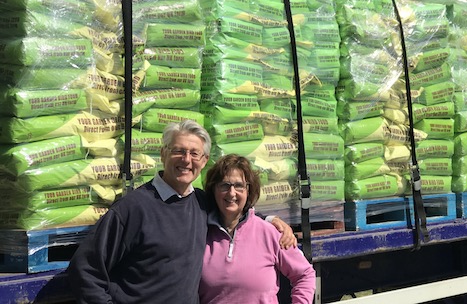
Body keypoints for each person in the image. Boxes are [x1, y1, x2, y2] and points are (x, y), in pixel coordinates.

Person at [67, 120, 296, 304]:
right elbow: (85, 268)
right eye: (178, 151)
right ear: (163, 153)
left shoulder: (200, 203)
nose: (186, 160)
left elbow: (234, 210)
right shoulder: (134, 208)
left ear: (204, 161)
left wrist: (272, 220)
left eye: (194, 154)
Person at [199, 153, 316, 304]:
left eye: (239, 186)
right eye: (224, 185)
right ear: (213, 189)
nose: (232, 193)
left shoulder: (269, 233)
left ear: (249, 191)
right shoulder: (201, 233)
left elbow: (304, 274)